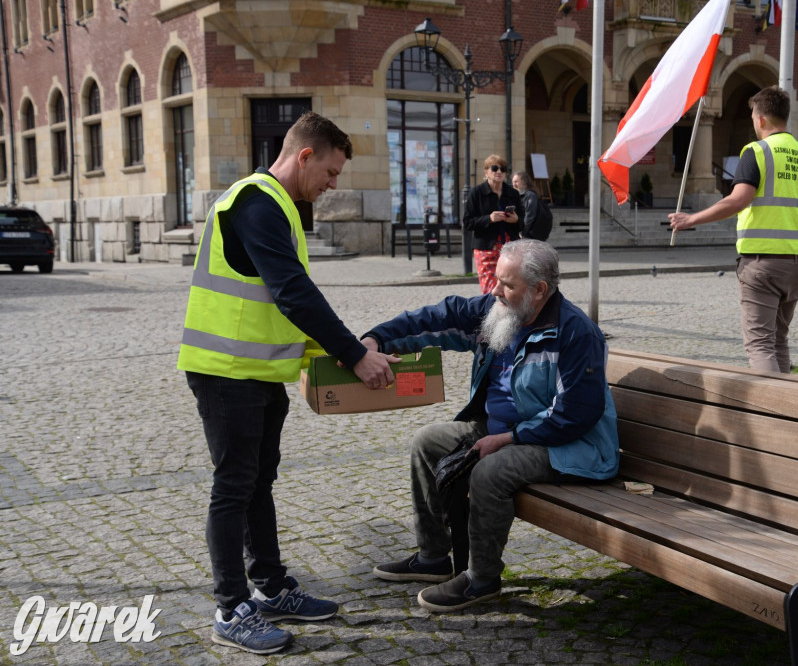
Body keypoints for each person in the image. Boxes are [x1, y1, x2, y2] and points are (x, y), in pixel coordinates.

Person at [177, 111, 401, 654]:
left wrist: (347, 350)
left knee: (257, 483)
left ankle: (271, 585)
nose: (332, 185)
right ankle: (231, 609)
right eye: (330, 172)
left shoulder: (277, 207)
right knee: (234, 487)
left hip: (256, 375)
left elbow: (282, 306)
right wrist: (353, 357)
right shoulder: (257, 203)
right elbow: (292, 292)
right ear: (304, 156)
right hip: (227, 374)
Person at [364, 239, 619, 613]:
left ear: (540, 290)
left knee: (490, 471)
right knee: (426, 442)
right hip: (503, 431)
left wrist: (508, 438)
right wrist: (376, 338)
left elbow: (576, 414)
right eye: (496, 279)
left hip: (571, 445)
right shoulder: (498, 310)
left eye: (508, 284)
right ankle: (434, 556)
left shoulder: (575, 333)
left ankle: (481, 580)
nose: (495, 290)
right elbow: (440, 316)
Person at [668, 86, 798, 374]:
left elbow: (738, 200)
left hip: (762, 263)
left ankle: (769, 413)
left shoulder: (757, 152)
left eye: (754, 116)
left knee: (760, 345)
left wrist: (691, 220)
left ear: (762, 118)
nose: (754, 122)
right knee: (778, 340)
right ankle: (788, 405)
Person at [463, 154, 524, 294]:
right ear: (486, 172)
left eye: (503, 169)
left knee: (510, 286)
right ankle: (492, 314)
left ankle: (510, 314)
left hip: (510, 247)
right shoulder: (476, 193)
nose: (499, 172)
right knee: (490, 289)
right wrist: (488, 219)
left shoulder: (513, 193)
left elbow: (524, 221)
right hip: (486, 248)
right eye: (494, 168)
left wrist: (516, 220)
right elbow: (467, 223)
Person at [512, 170, 552, 241]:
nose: (514, 185)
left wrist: (523, 232)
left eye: (516, 182)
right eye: (513, 182)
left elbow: (529, 216)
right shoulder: (519, 196)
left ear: (524, 182)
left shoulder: (530, 195)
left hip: (530, 235)